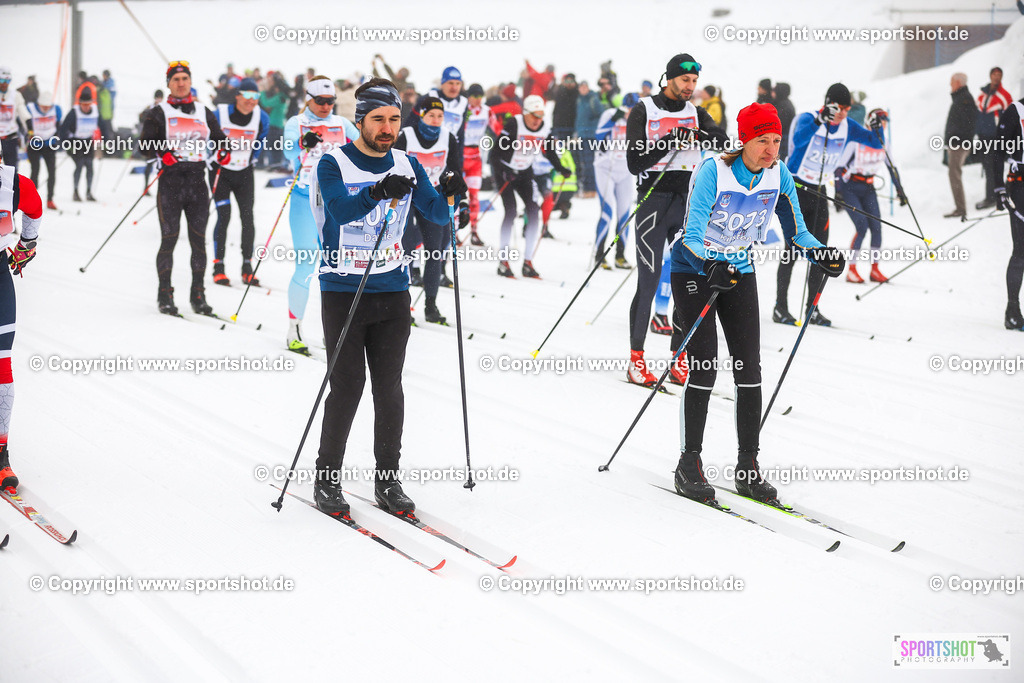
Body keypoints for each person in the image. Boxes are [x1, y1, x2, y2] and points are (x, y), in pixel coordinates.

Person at [670, 103, 844, 505]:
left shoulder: (778, 174)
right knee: (705, 366)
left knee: (750, 369)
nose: (771, 149)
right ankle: (688, 463)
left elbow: (798, 231)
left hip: (738, 270)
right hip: (694, 269)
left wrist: (822, 253)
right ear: (744, 139)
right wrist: (707, 263)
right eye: (762, 140)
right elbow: (692, 234)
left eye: (776, 140)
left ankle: (748, 466)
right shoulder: (715, 170)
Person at [308, 78, 466, 516]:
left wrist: (454, 196)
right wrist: (377, 191)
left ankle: (388, 480)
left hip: (392, 288)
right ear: (360, 120)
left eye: (394, 119)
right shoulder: (333, 163)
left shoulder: (407, 162)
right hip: (343, 287)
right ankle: (326, 479)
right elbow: (339, 210)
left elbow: (434, 211)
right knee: (346, 387)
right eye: (378, 119)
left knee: (389, 388)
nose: (387, 127)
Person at [624, 53, 727, 387]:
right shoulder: (644, 109)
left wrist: (699, 136)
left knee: (688, 281)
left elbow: (722, 141)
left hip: (688, 204)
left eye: (694, 82)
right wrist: (671, 140)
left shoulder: (696, 113)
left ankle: (679, 357)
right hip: (653, 201)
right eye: (685, 80)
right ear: (669, 78)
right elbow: (634, 162)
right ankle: (636, 360)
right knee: (650, 279)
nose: (690, 87)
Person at [774, 82, 884, 327]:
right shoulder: (807, 118)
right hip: (796, 190)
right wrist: (819, 122)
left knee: (821, 252)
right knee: (791, 250)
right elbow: (797, 143)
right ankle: (780, 307)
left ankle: (812, 308)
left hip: (821, 193)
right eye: (839, 108)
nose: (843, 113)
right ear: (827, 103)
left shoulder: (847, 126)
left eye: (847, 108)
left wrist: (878, 129)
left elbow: (875, 143)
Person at [140, 60, 228, 316]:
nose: (181, 83)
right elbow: (144, 144)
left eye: (184, 79)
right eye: (175, 79)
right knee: (169, 240)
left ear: (190, 82)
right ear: (168, 83)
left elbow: (219, 137)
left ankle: (198, 294)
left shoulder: (203, 110)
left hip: (198, 182)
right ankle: (165, 293)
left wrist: (224, 148)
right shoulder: (158, 112)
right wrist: (161, 151)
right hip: (171, 183)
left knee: (198, 242)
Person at [282, 76, 358, 354]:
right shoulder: (295, 122)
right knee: (305, 265)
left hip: (334, 203)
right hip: (304, 199)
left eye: (330, 101)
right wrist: (304, 141)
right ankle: (294, 330)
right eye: (320, 101)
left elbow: (364, 146)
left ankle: (334, 331)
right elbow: (288, 150)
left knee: (337, 266)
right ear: (308, 99)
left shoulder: (341, 124)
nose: (326, 106)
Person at [394, 96, 465, 324]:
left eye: (440, 116)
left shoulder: (449, 138)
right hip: (406, 197)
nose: (436, 120)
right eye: (431, 115)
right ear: (422, 115)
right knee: (405, 250)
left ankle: (430, 305)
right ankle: (402, 305)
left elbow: (456, 172)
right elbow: (392, 166)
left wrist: (460, 203)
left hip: (432, 197)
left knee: (435, 251)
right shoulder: (406, 135)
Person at [490, 94, 570, 278]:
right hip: (505, 172)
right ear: (525, 113)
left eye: (540, 116)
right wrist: (504, 170)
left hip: (525, 171)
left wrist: (560, 168)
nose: (537, 120)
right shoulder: (514, 124)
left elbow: (549, 151)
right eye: (534, 116)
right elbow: (494, 154)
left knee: (533, 210)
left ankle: (527, 262)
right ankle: (503, 261)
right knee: (511, 211)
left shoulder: (544, 127)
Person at [0, 164, 43, 495]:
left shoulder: (11, 181)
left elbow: (34, 205)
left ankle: (1, 454)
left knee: (2, 367)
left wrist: (28, 244)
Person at [836, 109, 906, 284]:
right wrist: (837, 192)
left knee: (876, 227)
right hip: (850, 187)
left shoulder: (884, 143)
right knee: (862, 226)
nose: (883, 125)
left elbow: (892, 168)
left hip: (868, 188)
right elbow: (839, 167)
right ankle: (851, 270)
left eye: (885, 122)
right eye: (880, 121)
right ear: (870, 123)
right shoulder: (857, 141)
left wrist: (900, 191)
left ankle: (875, 270)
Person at [210, 78, 270, 287]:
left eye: (255, 97)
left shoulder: (261, 117)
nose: (251, 101)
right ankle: (219, 266)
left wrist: (250, 159)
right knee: (224, 215)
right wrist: (214, 151)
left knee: (247, 216)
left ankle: (247, 266)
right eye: (247, 96)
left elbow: (260, 142)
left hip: (244, 172)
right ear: (238, 95)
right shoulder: (221, 113)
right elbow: (207, 135)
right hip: (220, 171)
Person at [593, 92, 636, 270]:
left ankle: (620, 255)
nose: (629, 113)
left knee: (624, 214)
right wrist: (613, 121)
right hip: (605, 169)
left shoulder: (640, 120)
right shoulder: (610, 114)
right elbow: (597, 137)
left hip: (625, 171)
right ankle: (599, 254)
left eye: (633, 110)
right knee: (607, 212)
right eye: (627, 109)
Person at [995, 92, 1024, 330]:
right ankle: (1012, 310)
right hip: (1020, 187)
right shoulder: (1016, 110)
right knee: (1021, 250)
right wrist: (998, 189)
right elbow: (997, 151)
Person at [976, 67, 1013, 210]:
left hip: (996, 137)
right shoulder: (983, 94)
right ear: (990, 76)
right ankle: (992, 195)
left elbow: (1010, 118)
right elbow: (978, 114)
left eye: (999, 75)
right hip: (983, 137)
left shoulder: (1005, 96)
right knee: (987, 167)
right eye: (994, 74)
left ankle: (993, 197)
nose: (996, 77)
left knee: (993, 167)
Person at [943, 73, 977, 220]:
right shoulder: (960, 98)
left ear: (958, 82)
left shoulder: (964, 99)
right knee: (954, 174)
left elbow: (969, 124)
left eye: (952, 82)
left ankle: (961, 209)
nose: (950, 85)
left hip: (959, 145)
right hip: (957, 144)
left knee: (954, 174)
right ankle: (960, 207)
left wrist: (959, 140)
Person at [58, 89, 100, 202]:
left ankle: (89, 192)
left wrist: (106, 140)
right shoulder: (73, 112)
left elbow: (102, 125)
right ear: (80, 103)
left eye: (88, 104)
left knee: (90, 166)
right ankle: (76, 191)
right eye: (83, 104)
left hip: (87, 141)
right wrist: (65, 143)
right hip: (74, 142)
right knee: (80, 165)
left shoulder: (95, 111)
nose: (86, 107)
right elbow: (63, 129)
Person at [462, 83, 490, 245]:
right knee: (457, 197)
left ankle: (474, 232)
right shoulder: (462, 109)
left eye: (481, 96)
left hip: (475, 158)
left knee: (474, 197)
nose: (478, 99)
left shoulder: (486, 111)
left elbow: (498, 129)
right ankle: (455, 232)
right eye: (475, 96)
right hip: (460, 157)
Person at [25, 92, 61, 210]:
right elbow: (23, 124)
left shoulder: (56, 109)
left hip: (49, 145)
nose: (46, 109)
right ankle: (32, 199)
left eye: (48, 107)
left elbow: (59, 125)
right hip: (34, 145)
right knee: (35, 171)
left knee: (52, 172)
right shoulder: (30, 109)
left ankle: (50, 199)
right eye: (43, 106)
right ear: (38, 104)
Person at [575, 81, 602, 197]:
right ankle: (586, 189)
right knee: (583, 163)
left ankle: (591, 189)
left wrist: (591, 125)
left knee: (590, 163)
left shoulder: (593, 99)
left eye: (585, 87)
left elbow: (601, 114)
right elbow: (578, 118)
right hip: (581, 135)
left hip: (591, 135)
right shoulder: (579, 100)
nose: (583, 89)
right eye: (581, 87)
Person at [0, 67, 29, 169]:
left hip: (10, 137)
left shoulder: (15, 95)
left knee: (12, 170)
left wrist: (29, 126)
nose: (4, 83)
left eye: (7, 80)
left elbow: (23, 112)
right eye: (2, 80)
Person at [259, 72, 289, 170]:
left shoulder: (280, 96)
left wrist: (262, 92)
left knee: (272, 146)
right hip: (279, 124)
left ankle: (274, 165)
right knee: (277, 146)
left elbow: (266, 103)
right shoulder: (283, 97)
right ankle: (276, 164)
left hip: (274, 124)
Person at [140, 90, 163, 192]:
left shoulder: (164, 108)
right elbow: (141, 119)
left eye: (160, 98)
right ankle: (146, 186)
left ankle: (161, 188)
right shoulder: (149, 108)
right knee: (149, 164)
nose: (158, 100)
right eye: (157, 98)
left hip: (160, 140)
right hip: (150, 140)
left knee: (161, 165)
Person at [773, 82, 795, 160]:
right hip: (783, 137)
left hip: (784, 138)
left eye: (774, 91)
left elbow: (779, 123)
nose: (772, 93)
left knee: (780, 159)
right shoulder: (782, 103)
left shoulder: (784, 106)